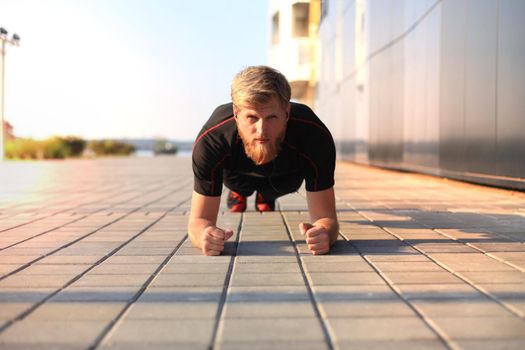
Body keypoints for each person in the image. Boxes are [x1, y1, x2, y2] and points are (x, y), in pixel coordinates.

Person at [188, 66, 339, 256]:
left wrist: (324, 232)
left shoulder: (314, 135)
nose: (261, 130)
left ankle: (266, 196)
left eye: (272, 117)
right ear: (236, 113)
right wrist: (204, 235)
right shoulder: (212, 139)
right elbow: (198, 220)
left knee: (277, 189)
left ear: (287, 112)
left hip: (285, 175)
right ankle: (239, 193)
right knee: (237, 185)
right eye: (252, 117)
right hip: (236, 174)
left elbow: (327, 218)